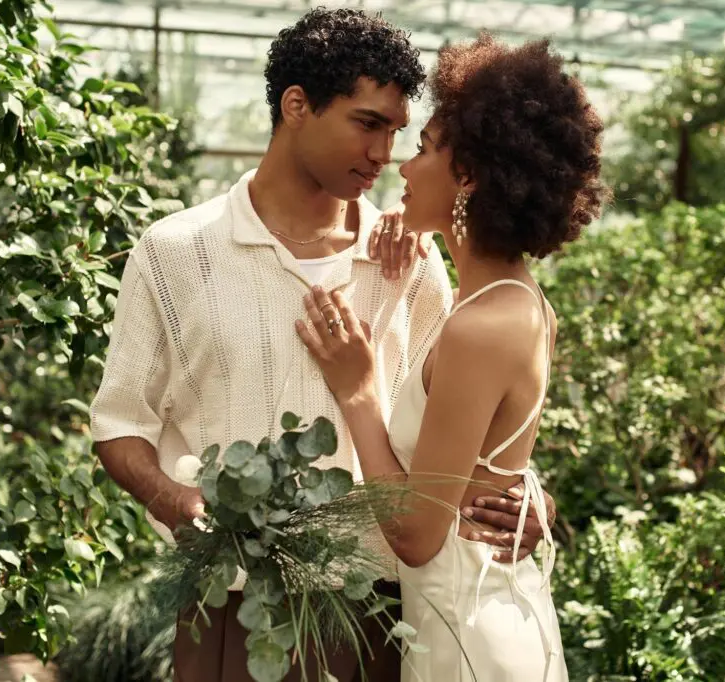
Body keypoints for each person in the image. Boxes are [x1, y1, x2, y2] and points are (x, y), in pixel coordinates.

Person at [89, 10, 556, 682]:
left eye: (398, 134)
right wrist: (169, 497)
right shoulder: (174, 253)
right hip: (231, 609)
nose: (383, 155)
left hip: (380, 613)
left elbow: (460, 424)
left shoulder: (413, 262)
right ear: (297, 105)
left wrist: (519, 497)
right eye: (367, 124)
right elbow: (119, 424)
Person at [297, 33, 605, 681]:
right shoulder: (516, 301)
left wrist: (358, 391)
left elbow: (415, 535)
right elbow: (483, 468)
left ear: (467, 175)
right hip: (479, 621)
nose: (401, 169)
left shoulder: (479, 327)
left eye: (423, 149)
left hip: (469, 644)